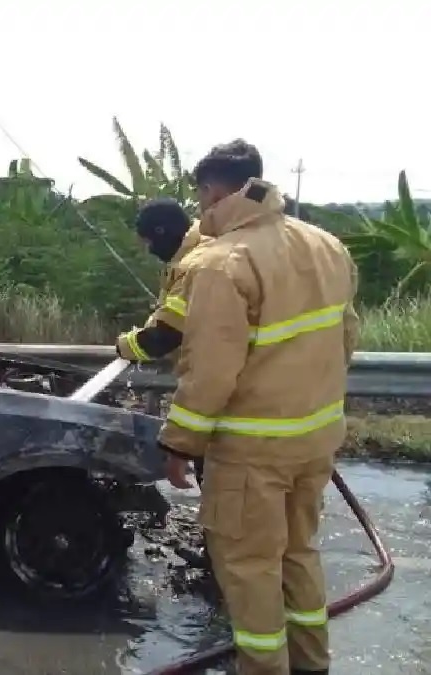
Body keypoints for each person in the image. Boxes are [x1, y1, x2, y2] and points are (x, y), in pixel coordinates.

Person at [157, 139, 359, 675]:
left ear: (215, 190)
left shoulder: (224, 262)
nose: (200, 206)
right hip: (314, 440)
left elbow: (210, 371)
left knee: (249, 569)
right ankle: (312, 664)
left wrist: (179, 443)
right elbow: (346, 337)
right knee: (298, 555)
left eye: (201, 193)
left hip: (252, 451)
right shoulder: (324, 244)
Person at [114, 198, 208, 484]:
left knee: (229, 516)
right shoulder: (202, 248)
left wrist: (124, 345)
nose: (151, 251)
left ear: (161, 232)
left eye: (149, 243)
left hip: (225, 412)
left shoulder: (195, 264)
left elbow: (161, 339)